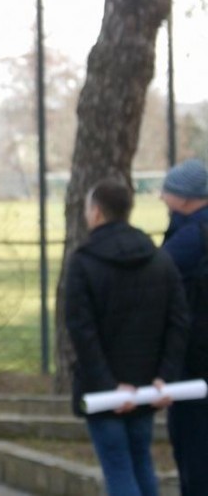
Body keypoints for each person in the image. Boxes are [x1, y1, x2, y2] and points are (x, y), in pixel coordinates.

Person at [65, 178, 189, 495]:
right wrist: (164, 375)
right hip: (147, 386)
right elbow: (178, 321)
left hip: (105, 392)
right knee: (141, 462)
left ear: (96, 212)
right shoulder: (160, 259)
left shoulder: (83, 262)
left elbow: (81, 331)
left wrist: (108, 385)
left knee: (118, 469)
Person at [159, 158, 208, 496]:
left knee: (194, 455)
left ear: (186, 198)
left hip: (193, 363)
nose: (162, 197)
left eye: (168, 191)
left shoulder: (189, 238)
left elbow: (156, 276)